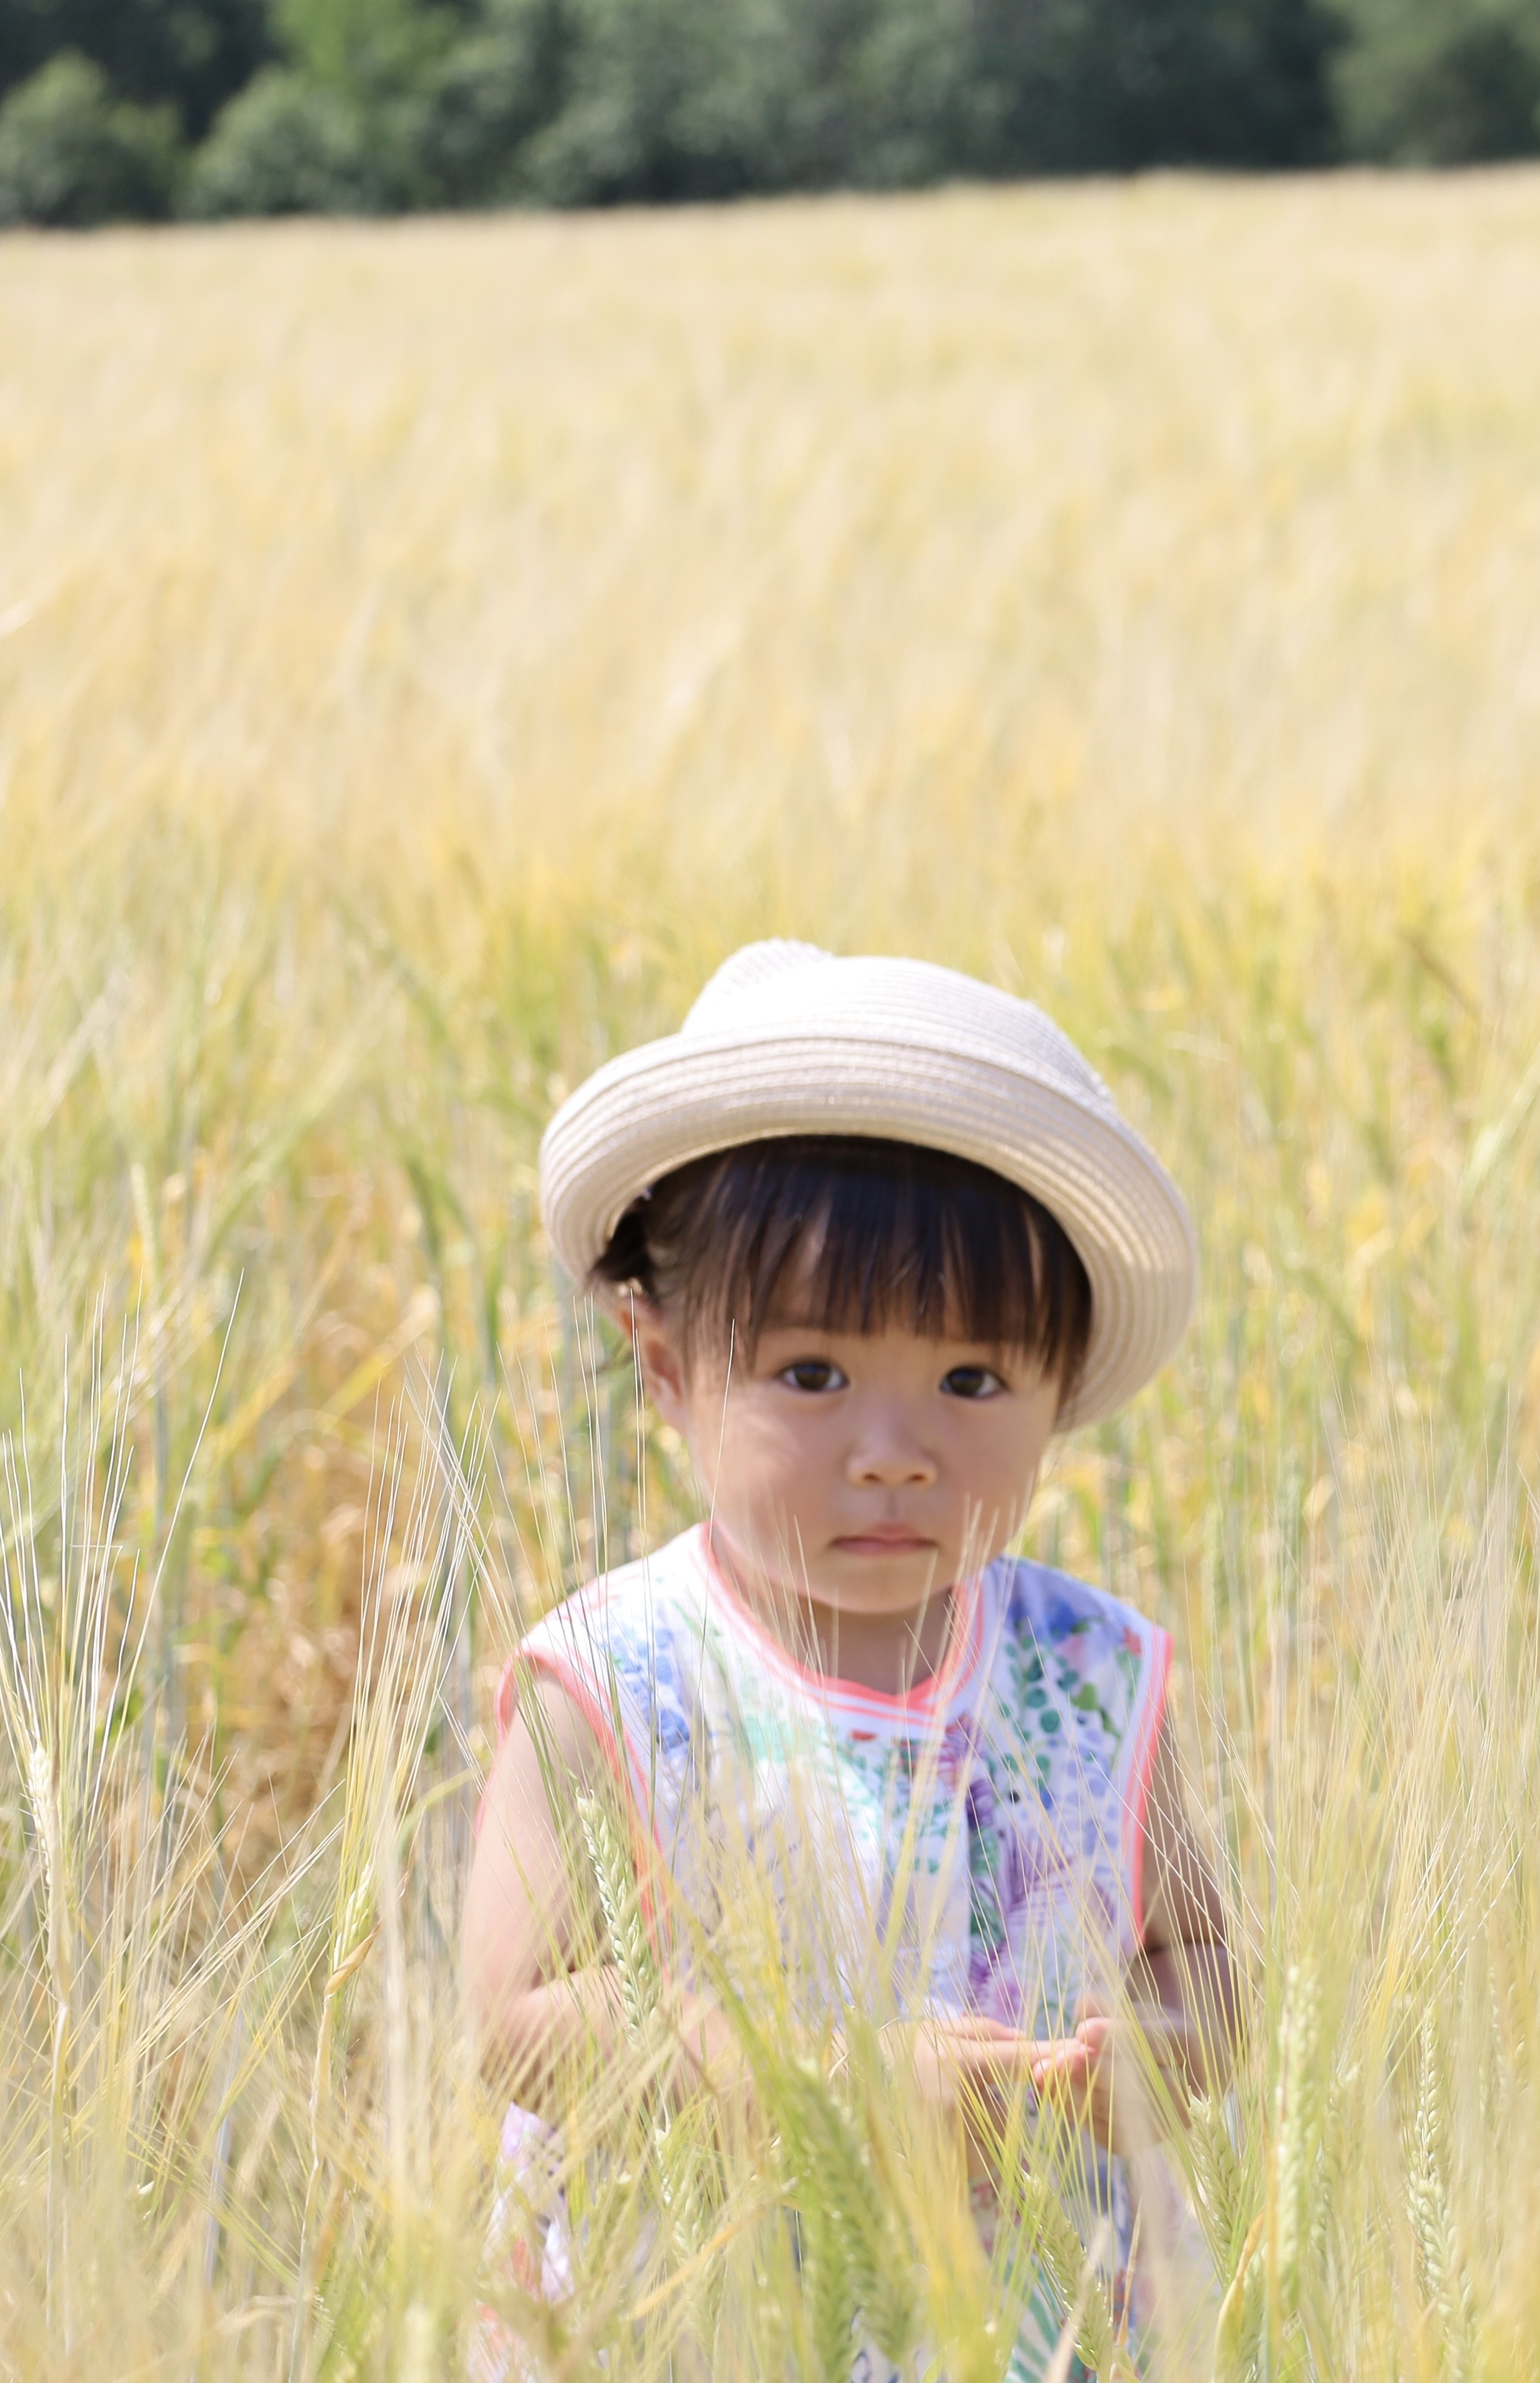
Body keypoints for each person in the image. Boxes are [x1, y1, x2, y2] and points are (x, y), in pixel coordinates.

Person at [463, 940, 1239, 2379]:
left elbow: (1198, 1956)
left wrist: (1139, 2056)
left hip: (1035, 2325)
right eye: (813, 1373)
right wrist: (824, 2086)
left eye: (973, 1379)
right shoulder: (618, 1680)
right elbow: (518, 2014)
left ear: (1061, 1388)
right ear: (666, 1364)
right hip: (687, 2319)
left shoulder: (1092, 1679)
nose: (894, 1450)